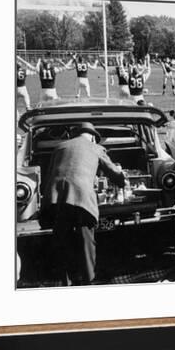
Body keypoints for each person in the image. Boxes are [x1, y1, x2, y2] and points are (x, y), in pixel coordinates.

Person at [42, 122, 126, 285]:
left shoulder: (60, 146)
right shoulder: (95, 148)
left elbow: (50, 172)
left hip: (56, 196)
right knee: (86, 240)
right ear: (93, 137)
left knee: (62, 239)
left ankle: (65, 282)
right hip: (81, 197)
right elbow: (114, 172)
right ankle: (89, 280)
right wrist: (123, 181)